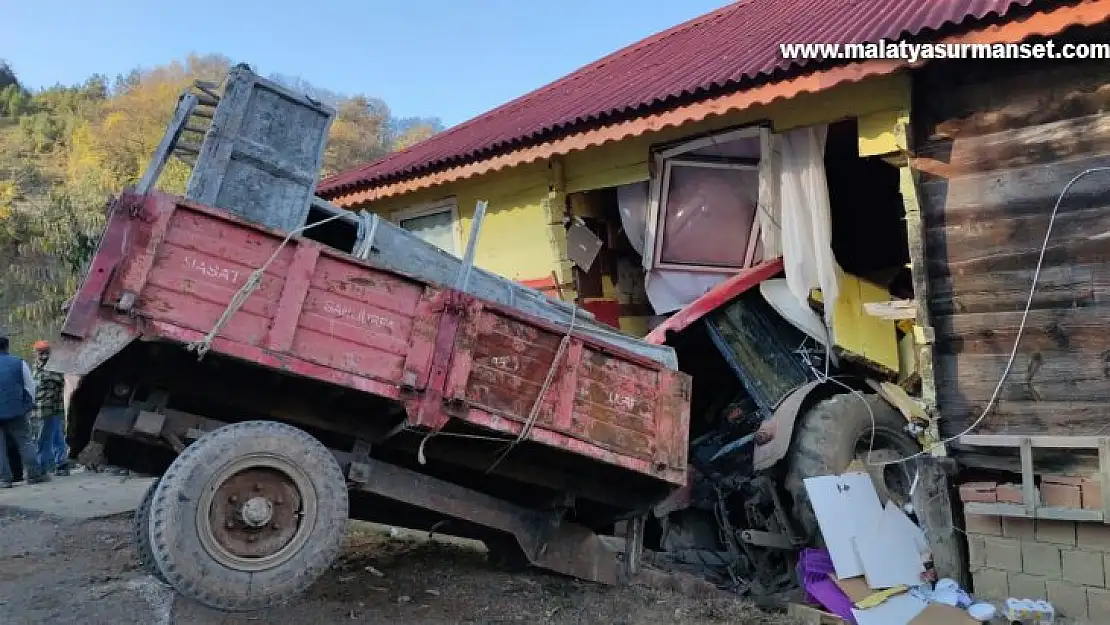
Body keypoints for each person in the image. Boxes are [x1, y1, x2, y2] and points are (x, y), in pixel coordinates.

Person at [0, 335, 48, 487]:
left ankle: (5, 479)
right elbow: (30, 387)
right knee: (25, 442)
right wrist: (28, 405)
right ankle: (34, 475)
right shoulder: (18, 363)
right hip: (16, 410)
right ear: (7, 347)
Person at [32, 341, 69, 476]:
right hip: (41, 408)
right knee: (55, 437)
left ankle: (42, 467)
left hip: (51, 408)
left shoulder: (55, 367)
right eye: (41, 353)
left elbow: (59, 380)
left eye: (46, 353)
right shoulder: (37, 367)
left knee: (45, 439)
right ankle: (61, 464)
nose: (43, 356)